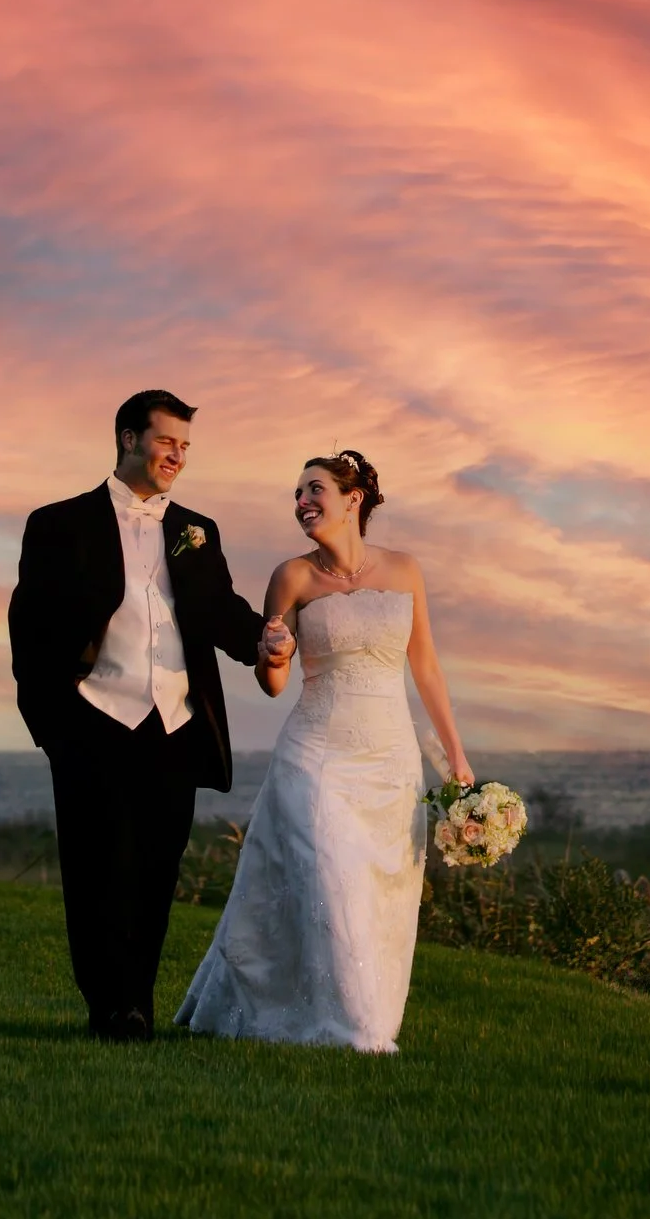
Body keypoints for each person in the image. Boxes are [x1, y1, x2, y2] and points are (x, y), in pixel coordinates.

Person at [177, 448, 474, 1051]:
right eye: (297, 495)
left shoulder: (405, 570)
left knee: (377, 891)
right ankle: (355, 1030)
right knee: (330, 875)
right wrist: (274, 652)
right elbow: (273, 681)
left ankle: (363, 1014)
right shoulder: (292, 578)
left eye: (314, 490)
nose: (302, 503)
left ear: (352, 499)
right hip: (316, 755)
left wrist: (458, 762)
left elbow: (428, 670)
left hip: (391, 759)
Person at [8, 390, 265, 1041]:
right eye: (166, 441)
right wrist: (54, 732)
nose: (177, 455)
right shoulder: (58, 524)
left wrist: (266, 639)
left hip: (174, 727)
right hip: (92, 722)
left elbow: (218, 610)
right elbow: (30, 634)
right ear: (128, 439)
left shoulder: (193, 531)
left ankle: (137, 1001)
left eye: (185, 446)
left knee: (156, 869)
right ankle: (110, 1005)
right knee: (96, 870)